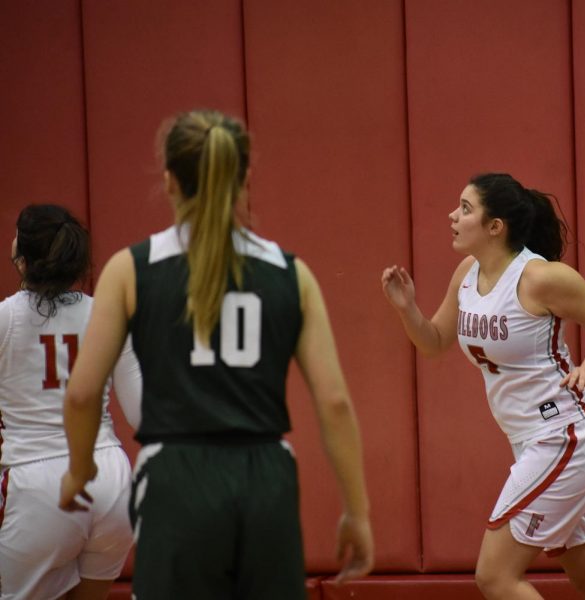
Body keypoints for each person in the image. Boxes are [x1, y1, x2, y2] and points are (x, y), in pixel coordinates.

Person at [59, 109, 373, 599]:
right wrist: (357, 511)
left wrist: (80, 470)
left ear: (168, 182)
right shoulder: (293, 274)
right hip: (265, 478)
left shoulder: (130, 269)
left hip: (176, 480)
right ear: (243, 178)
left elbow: (81, 394)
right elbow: (334, 403)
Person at [382, 173, 585, 600]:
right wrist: (407, 309)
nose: (453, 216)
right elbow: (434, 342)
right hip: (534, 440)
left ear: (495, 226)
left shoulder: (539, 278)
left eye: (465, 208)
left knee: (495, 576)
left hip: (564, 436)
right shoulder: (468, 272)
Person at [0, 204, 141, 600]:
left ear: (22, 257)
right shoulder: (107, 315)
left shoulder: (6, 319)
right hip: (111, 478)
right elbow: (142, 413)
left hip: (39, 485)